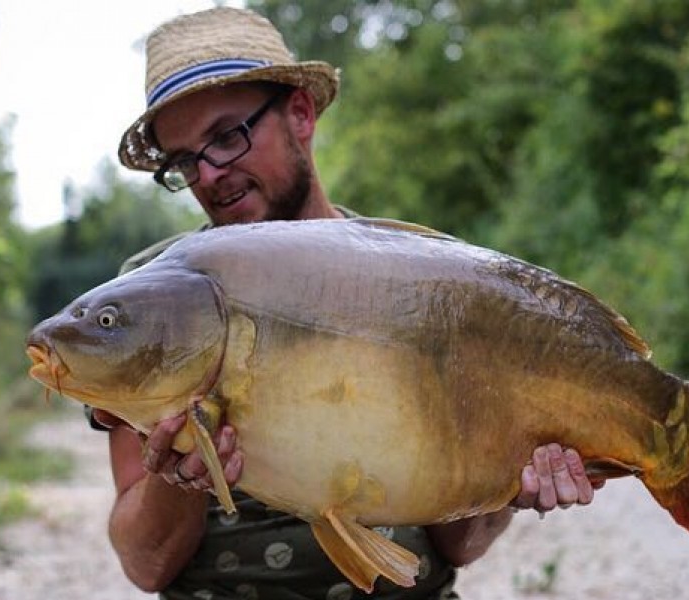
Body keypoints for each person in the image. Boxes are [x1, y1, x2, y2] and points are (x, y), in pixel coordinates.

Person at [89, 7, 603, 600]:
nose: (208, 174)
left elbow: (460, 544)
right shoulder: (153, 297)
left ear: (300, 114)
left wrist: (508, 484)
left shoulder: (422, 280)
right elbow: (145, 567)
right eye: (183, 160)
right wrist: (179, 472)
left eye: (228, 136)